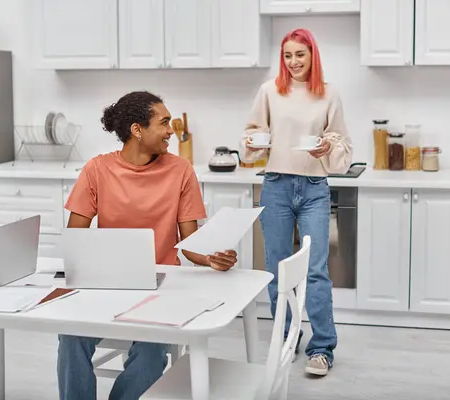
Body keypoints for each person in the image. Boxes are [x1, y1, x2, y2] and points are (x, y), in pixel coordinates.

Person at [58, 91, 238, 400]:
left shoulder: (180, 170)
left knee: (153, 352)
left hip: (162, 288)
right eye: (164, 122)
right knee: (71, 336)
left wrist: (211, 258)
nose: (171, 130)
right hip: (108, 284)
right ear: (137, 130)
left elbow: (190, 243)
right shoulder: (97, 170)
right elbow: (76, 239)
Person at [239, 28, 352, 377]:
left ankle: (322, 348)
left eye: (300, 54)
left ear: (312, 55)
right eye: (287, 55)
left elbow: (342, 143)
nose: (293, 62)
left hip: (315, 186)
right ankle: (287, 334)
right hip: (276, 185)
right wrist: (253, 142)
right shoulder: (269, 91)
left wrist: (327, 147)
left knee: (316, 271)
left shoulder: (329, 94)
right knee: (276, 269)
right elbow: (252, 137)